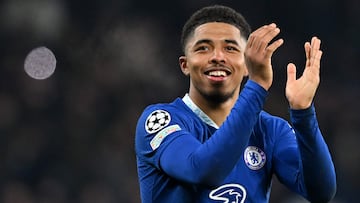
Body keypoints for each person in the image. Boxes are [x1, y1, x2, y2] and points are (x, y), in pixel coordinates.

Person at [135, 4, 336, 203]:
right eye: (203, 48)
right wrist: (256, 85)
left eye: (230, 48)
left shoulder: (270, 129)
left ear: (246, 65)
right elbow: (202, 171)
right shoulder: (160, 120)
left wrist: (303, 113)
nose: (217, 57)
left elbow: (320, 192)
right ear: (185, 65)